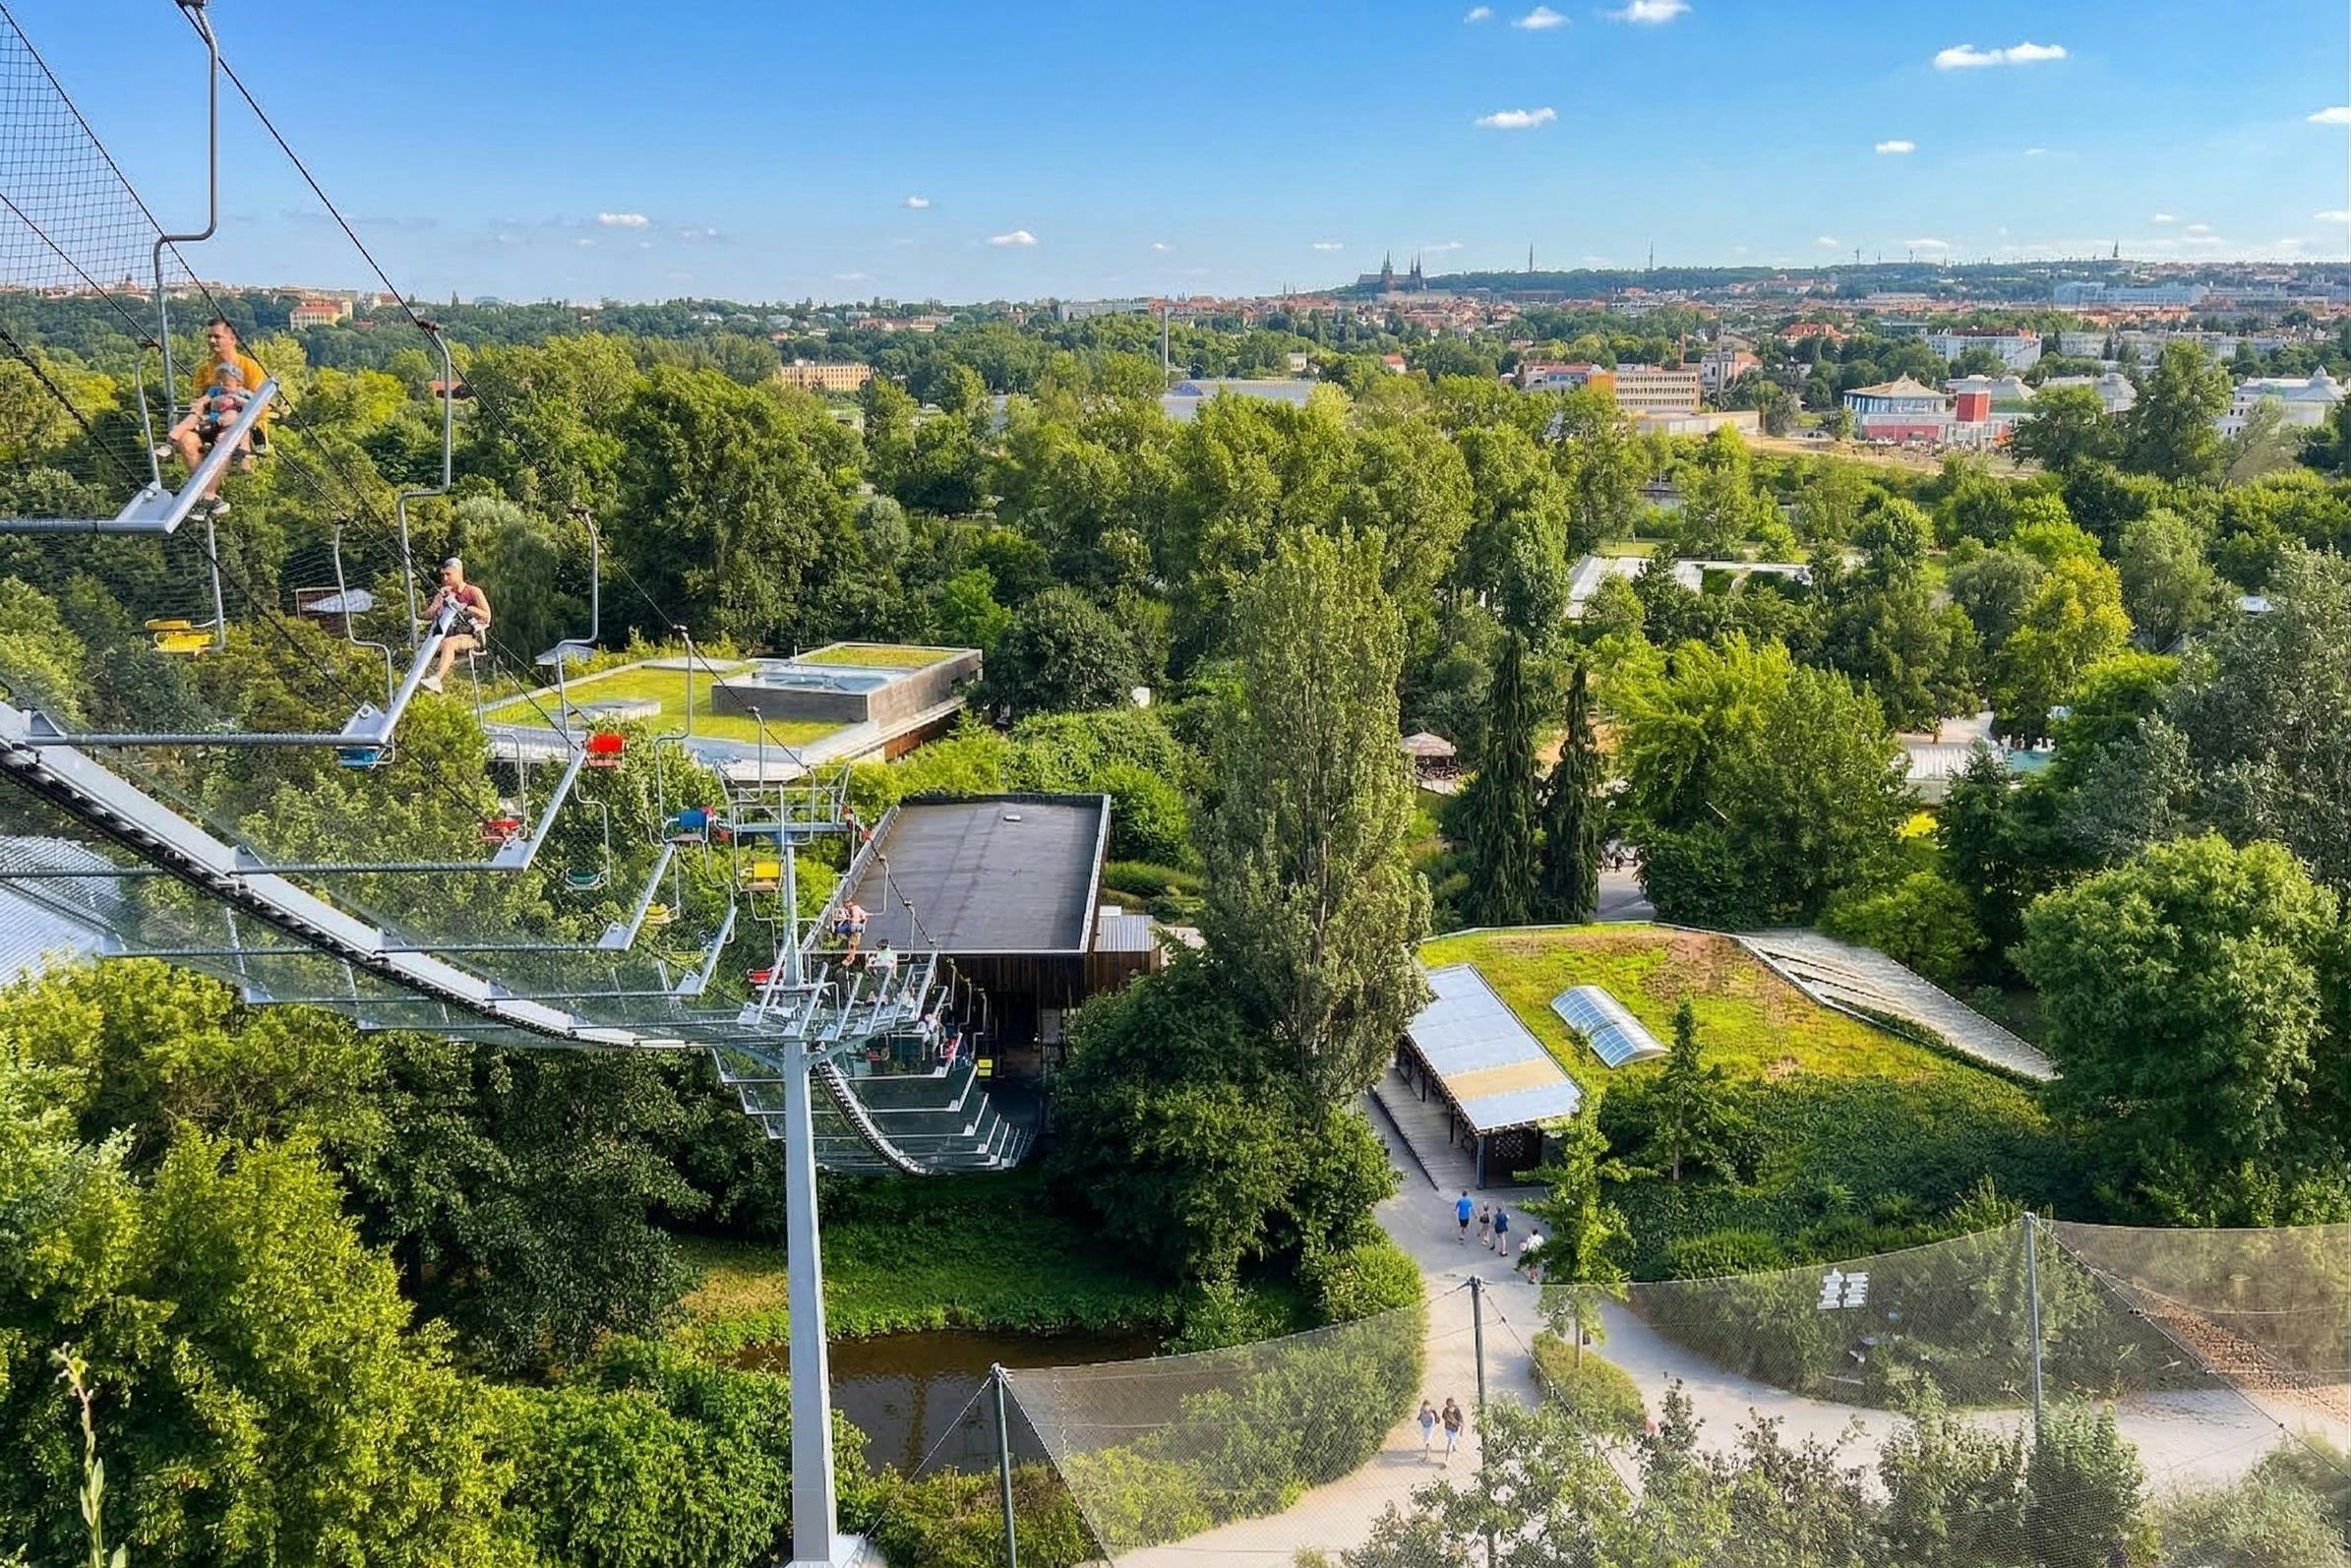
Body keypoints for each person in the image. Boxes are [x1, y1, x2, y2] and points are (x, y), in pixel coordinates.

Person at [418, 558, 491, 694]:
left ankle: (436, 679)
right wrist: (437, 604)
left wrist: (467, 608)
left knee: (448, 643)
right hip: (448, 635)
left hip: (471, 638)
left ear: (459, 573)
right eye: (443, 575)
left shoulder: (473, 591)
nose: (445, 578)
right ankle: (417, 676)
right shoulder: (443, 593)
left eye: (448, 574)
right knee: (425, 646)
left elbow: (486, 615)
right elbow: (427, 614)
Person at [1440, 1399, 1465, 1464]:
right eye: (1449, 1405)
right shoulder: (1445, 1411)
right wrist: (1453, 1421)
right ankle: (1447, 1460)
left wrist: (1461, 1429)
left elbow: (1460, 1419)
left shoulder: (1457, 1410)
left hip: (1455, 1429)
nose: (1450, 1407)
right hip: (1448, 1429)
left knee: (1454, 1439)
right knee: (1450, 1442)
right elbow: (1445, 1418)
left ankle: (1453, 1446)